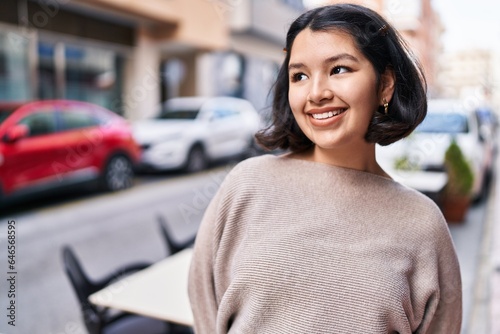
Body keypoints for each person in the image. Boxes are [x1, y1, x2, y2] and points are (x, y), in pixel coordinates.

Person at [188, 4, 462, 333]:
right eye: (299, 76)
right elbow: (203, 296)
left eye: (339, 70)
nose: (316, 93)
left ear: (385, 84)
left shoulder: (422, 224)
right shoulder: (247, 184)